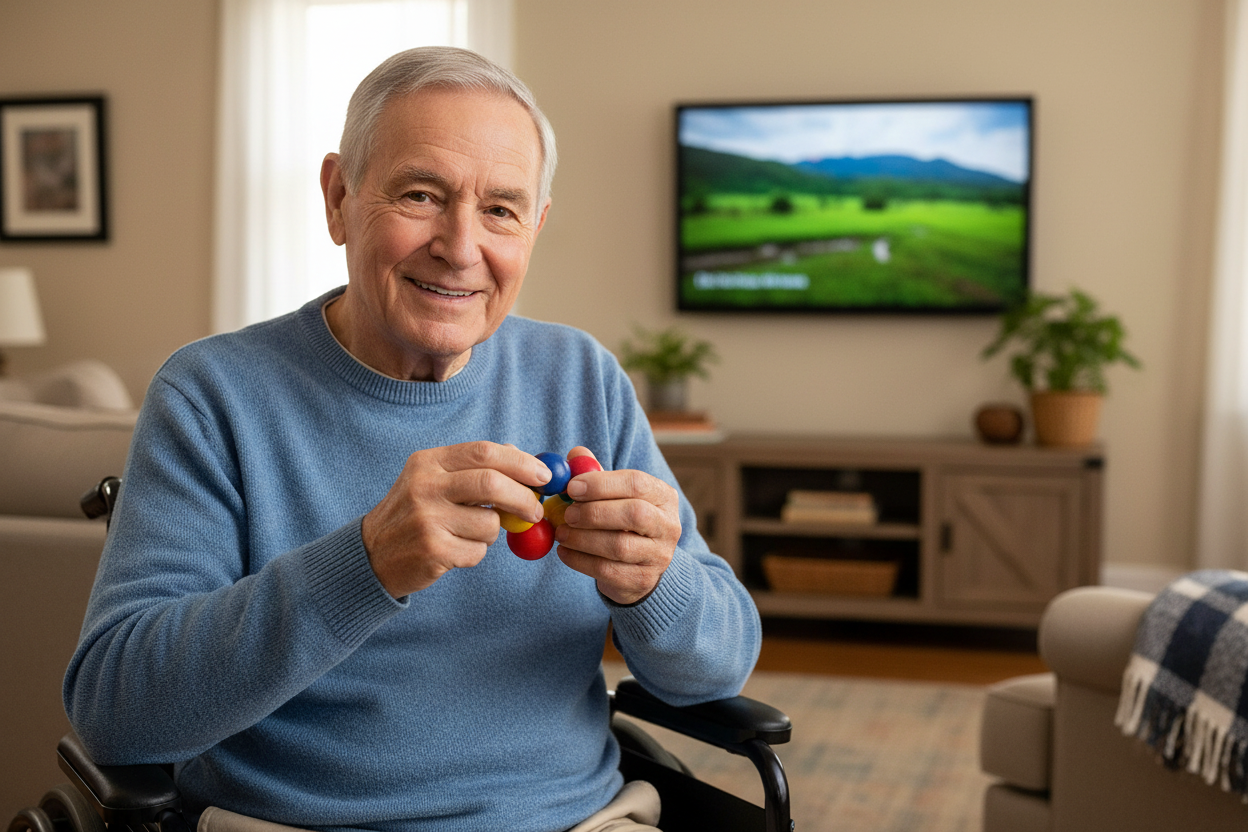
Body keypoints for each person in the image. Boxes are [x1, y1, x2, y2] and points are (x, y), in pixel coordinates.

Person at [63, 46, 760, 832]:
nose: (461, 247)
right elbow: (114, 709)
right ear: (338, 198)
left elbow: (721, 664)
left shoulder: (581, 377)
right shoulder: (212, 395)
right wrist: (364, 564)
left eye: (501, 209)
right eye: (422, 195)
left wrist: (653, 583)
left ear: (535, 226)